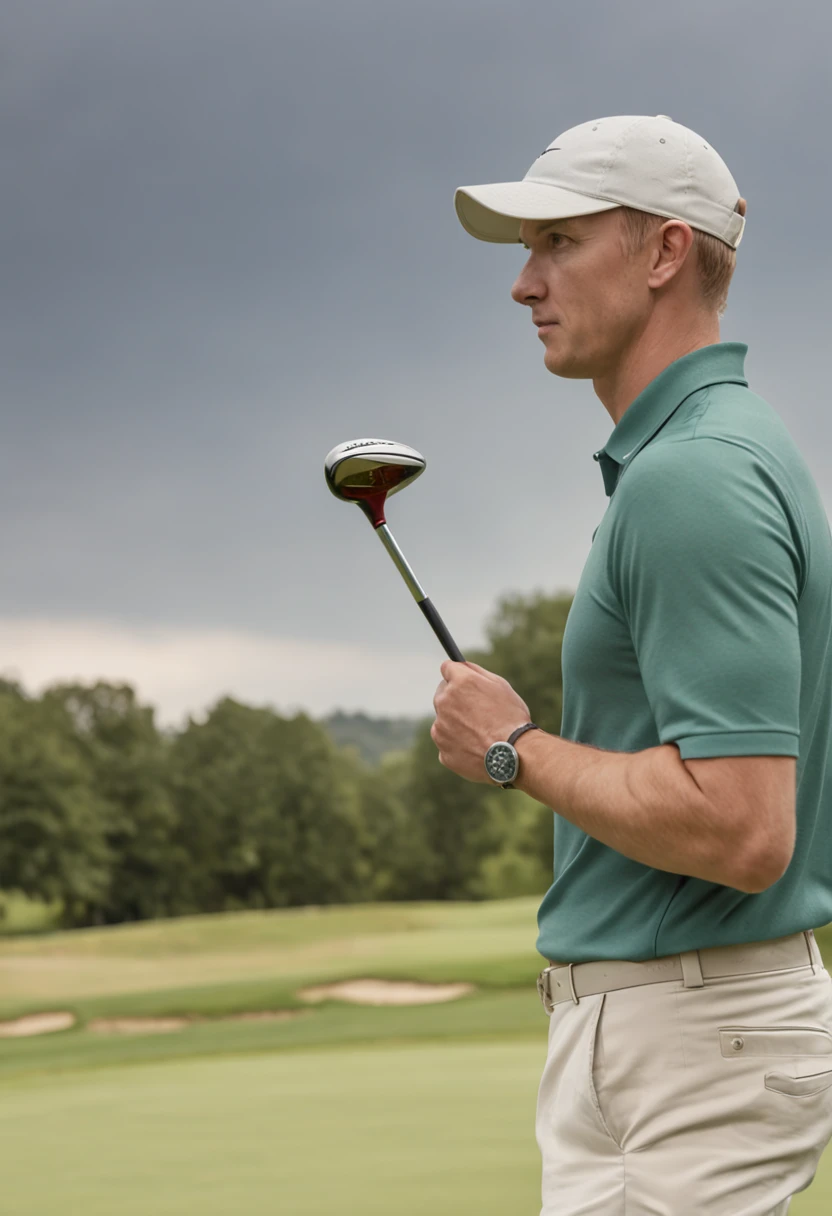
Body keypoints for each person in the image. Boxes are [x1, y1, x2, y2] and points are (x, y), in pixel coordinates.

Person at [430, 114, 832, 1215]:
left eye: (557, 242)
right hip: (676, 1030)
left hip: (692, 1036)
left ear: (662, 254)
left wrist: (513, 749)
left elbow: (743, 826)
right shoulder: (704, 453)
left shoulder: (692, 476)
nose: (523, 283)